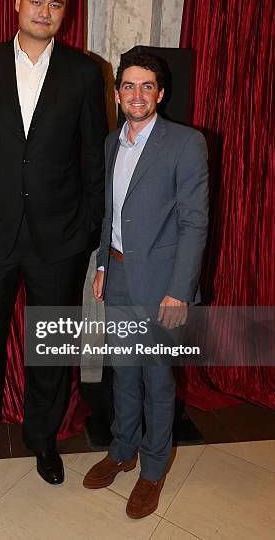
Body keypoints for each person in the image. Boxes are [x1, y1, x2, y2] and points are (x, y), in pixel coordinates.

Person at [0, 0, 108, 490]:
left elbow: (94, 160)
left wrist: (88, 229)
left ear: (66, 12)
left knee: (51, 349)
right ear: (17, 0)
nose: (45, 12)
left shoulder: (86, 73)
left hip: (58, 239)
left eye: (56, 4)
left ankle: (43, 440)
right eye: (36, 1)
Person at [82, 53, 208, 518]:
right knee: (124, 375)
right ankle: (122, 450)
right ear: (117, 93)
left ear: (160, 93)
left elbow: (195, 224)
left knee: (157, 381)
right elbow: (109, 214)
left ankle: (153, 469)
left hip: (161, 288)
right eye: (129, 86)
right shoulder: (112, 143)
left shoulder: (185, 143)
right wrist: (101, 266)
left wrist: (179, 290)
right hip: (116, 279)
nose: (137, 95)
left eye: (146, 86)